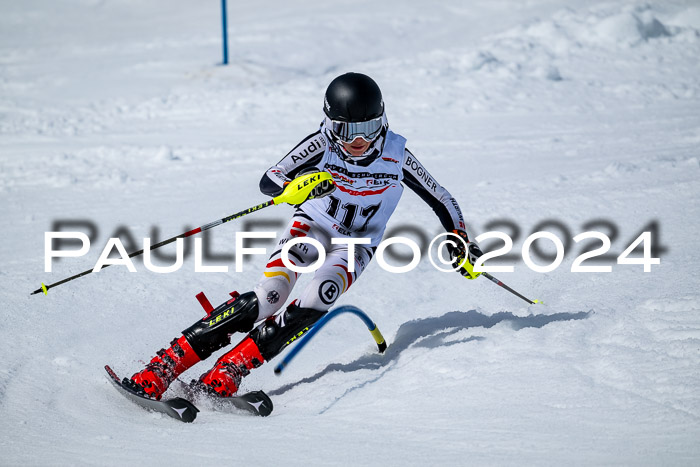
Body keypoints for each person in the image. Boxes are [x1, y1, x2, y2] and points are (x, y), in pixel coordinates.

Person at [126, 72, 484, 400]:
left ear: (383, 121)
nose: (358, 141)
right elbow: (271, 179)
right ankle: (163, 366)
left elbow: (442, 197)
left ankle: (230, 369)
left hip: (357, 244)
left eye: (369, 127)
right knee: (270, 296)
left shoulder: (396, 155)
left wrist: (461, 240)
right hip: (313, 226)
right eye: (346, 130)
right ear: (331, 125)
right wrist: (295, 187)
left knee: (318, 299)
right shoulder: (320, 145)